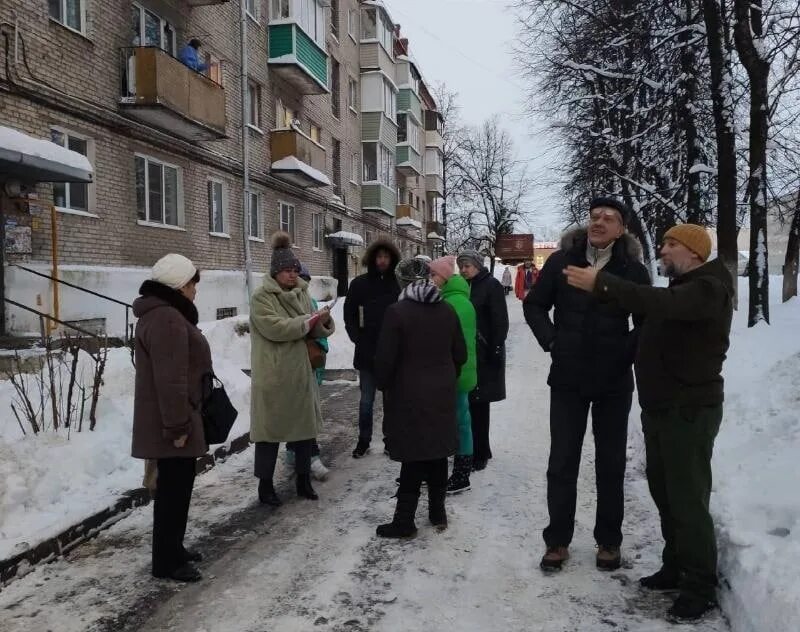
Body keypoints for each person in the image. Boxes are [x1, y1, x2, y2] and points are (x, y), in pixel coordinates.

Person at [563, 223, 733, 623]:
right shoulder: (680, 288)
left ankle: (700, 586)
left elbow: (659, 305)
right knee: (666, 495)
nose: (663, 249)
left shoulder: (708, 288)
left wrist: (603, 283)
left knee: (688, 500)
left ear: (694, 252)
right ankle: (675, 565)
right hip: (662, 409)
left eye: (672, 244)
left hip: (689, 410)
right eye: (665, 242)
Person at [523, 197, 650, 573]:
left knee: (610, 464)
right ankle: (557, 540)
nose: (599, 222)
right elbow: (534, 305)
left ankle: (609, 541)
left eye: (608, 218)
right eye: (594, 217)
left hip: (613, 380)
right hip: (568, 376)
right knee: (562, 460)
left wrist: (624, 354)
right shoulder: (563, 261)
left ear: (621, 228)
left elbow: (646, 321)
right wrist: (552, 341)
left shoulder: (633, 269)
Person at [373, 258, 467, 537]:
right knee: (437, 453)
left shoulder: (397, 312)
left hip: (408, 396)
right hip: (442, 394)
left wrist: (384, 384)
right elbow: (460, 354)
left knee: (413, 458)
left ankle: (404, 522)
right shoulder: (448, 310)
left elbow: (385, 361)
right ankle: (438, 512)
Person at [132, 253, 209, 583]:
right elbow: (171, 379)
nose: (195, 290)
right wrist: (178, 427)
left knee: (176, 492)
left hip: (173, 420)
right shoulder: (167, 320)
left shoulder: (163, 314)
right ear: (179, 285)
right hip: (173, 425)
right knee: (172, 496)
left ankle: (173, 549)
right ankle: (166, 562)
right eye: (192, 283)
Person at [250, 232, 335, 506]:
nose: (291, 275)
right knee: (269, 434)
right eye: (286, 270)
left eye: (294, 270)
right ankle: (265, 486)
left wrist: (323, 320)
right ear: (275, 272)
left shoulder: (301, 292)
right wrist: (307, 322)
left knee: (303, 430)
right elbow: (274, 328)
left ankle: (303, 481)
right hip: (274, 374)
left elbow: (311, 328)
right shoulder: (262, 297)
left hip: (301, 372)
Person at [343, 239, 401, 458]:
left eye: (386, 257)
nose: (382, 261)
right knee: (366, 400)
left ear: (392, 259)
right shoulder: (360, 284)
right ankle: (363, 440)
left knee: (390, 400)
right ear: (372, 259)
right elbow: (349, 313)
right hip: (367, 350)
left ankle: (390, 439)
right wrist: (356, 336)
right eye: (379, 257)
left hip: (391, 351)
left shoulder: (397, 283)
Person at [456, 250, 509, 472]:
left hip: (485, 352)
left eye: (467, 265)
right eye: (461, 266)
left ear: (478, 265)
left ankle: (481, 452)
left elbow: (500, 319)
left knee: (479, 403)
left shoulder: (491, 285)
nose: (464, 269)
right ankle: (473, 448)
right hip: (468, 352)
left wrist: (496, 347)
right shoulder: (464, 287)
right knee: (468, 403)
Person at [429, 256, 478, 494]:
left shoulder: (450, 304)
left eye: (433, 275)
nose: (430, 280)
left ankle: (460, 475)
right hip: (463, 371)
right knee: (462, 421)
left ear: (445, 278)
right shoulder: (462, 301)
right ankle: (461, 471)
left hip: (453, 373)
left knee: (457, 423)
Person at [283, 263, 330, 482]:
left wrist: (323, 323)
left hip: (311, 365)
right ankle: (311, 456)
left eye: (305, 281)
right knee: (302, 413)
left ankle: (295, 454)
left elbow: (320, 334)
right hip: (293, 367)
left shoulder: (308, 301)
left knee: (305, 412)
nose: (303, 284)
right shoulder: (282, 302)